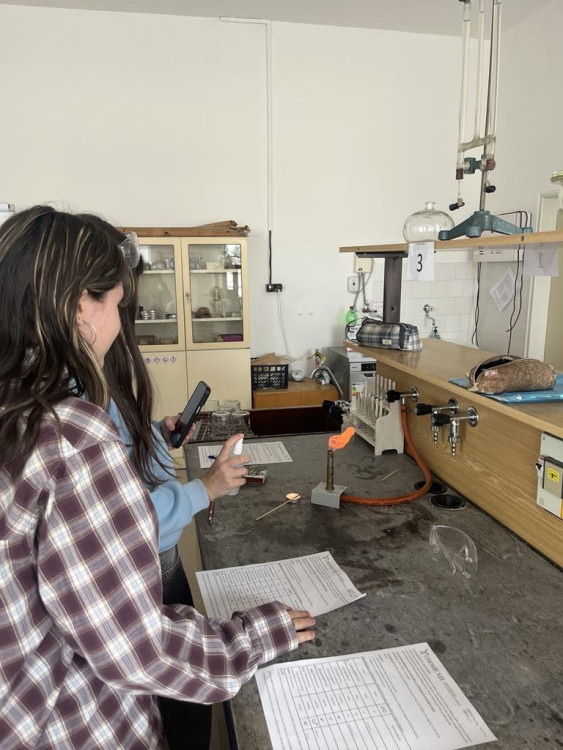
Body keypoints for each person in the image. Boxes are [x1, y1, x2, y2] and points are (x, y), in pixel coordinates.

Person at [0, 205, 316, 750]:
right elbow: (133, 648)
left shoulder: (16, 405)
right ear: (81, 305)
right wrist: (255, 635)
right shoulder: (68, 433)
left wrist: (149, 434)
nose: (120, 323)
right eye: (118, 304)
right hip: (74, 726)